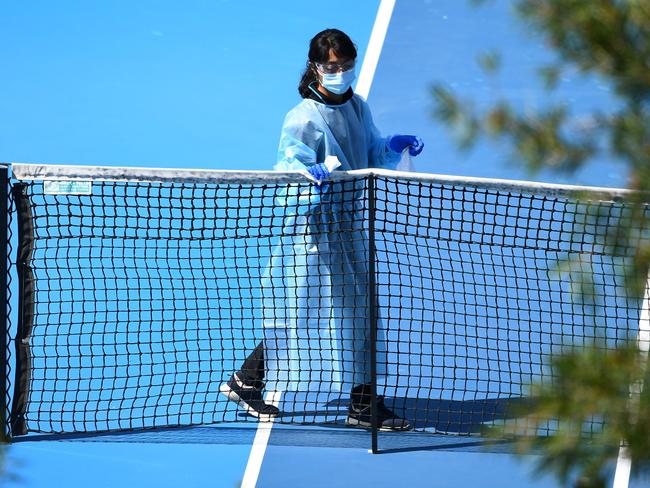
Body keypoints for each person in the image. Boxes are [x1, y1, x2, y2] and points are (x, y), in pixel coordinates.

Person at [220, 28, 423, 431]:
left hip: (348, 231)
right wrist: (306, 178)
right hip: (312, 236)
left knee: (361, 313)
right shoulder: (301, 119)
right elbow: (285, 176)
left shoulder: (358, 108)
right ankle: (247, 381)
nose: (340, 72)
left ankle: (362, 404)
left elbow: (369, 153)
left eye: (346, 65)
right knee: (297, 315)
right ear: (316, 66)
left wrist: (392, 146)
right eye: (332, 66)